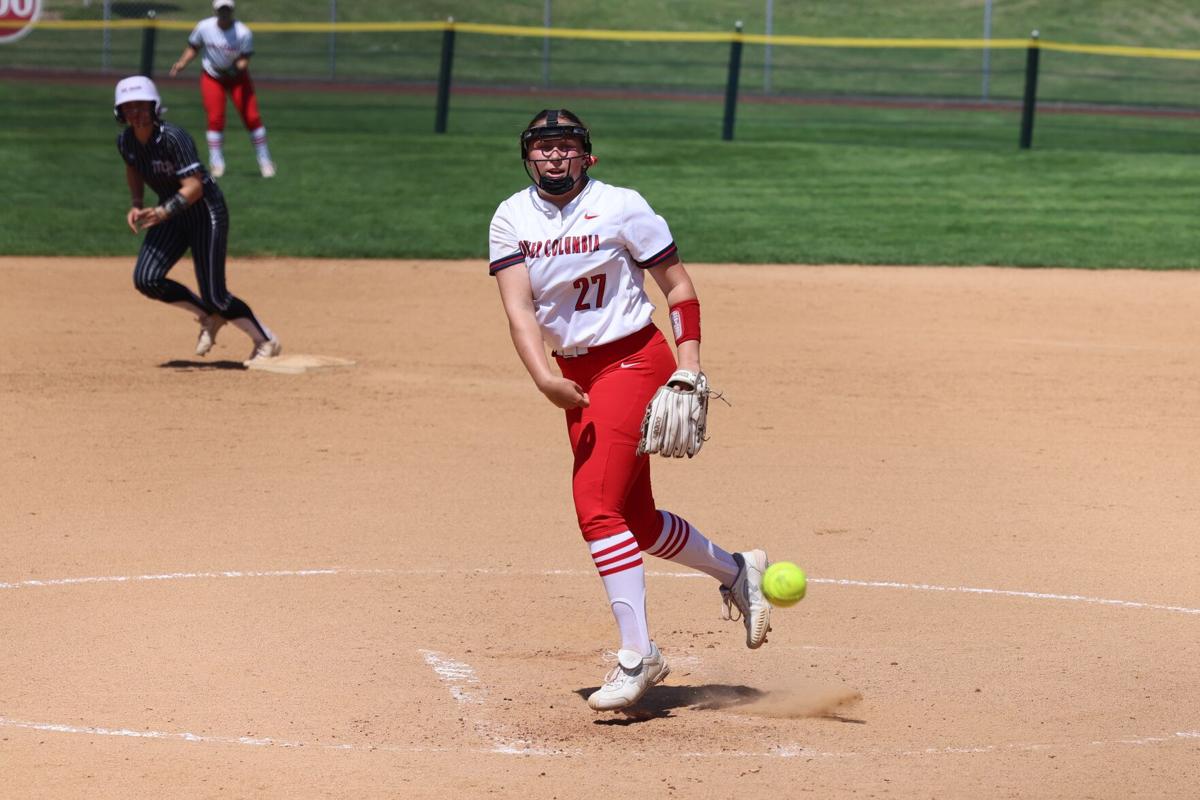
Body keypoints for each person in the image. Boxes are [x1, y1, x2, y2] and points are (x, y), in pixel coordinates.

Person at [489, 109, 772, 712]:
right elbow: (518, 310)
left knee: (595, 508)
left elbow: (678, 286)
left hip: (633, 361)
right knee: (633, 519)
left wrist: (688, 366)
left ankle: (639, 654)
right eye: (542, 148)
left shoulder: (622, 205)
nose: (554, 157)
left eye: (566, 146)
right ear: (527, 157)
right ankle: (737, 572)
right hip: (575, 372)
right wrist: (545, 378)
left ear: (587, 155)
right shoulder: (510, 217)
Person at [114, 75, 281, 363]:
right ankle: (207, 316)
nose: (135, 114)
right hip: (170, 213)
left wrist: (163, 211)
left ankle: (265, 341)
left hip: (205, 212)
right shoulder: (126, 140)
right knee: (146, 279)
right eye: (128, 108)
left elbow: (194, 187)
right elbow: (133, 168)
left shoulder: (173, 138)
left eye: (141, 106)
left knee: (216, 294)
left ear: (154, 107)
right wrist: (137, 203)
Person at [169, 0, 276, 178]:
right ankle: (217, 163)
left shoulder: (243, 32)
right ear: (215, 10)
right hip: (213, 76)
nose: (224, 13)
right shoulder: (204, 27)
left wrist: (234, 70)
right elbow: (193, 47)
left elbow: (244, 59)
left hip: (237, 78)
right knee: (215, 119)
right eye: (221, 9)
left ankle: (265, 161)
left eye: (227, 9)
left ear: (232, 11)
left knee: (252, 117)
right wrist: (181, 63)